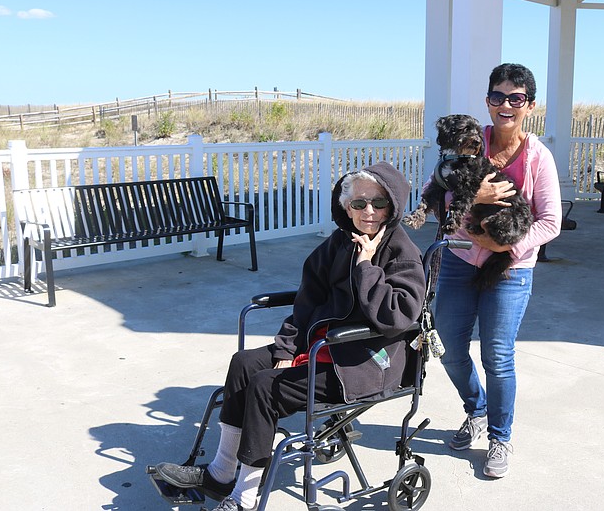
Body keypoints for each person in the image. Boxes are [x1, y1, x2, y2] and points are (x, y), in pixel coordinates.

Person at [154, 161, 426, 511]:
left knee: (266, 387)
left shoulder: (402, 251)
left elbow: (398, 316)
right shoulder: (338, 243)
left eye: (379, 203)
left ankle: (245, 498)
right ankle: (222, 473)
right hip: (322, 345)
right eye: (358, 203)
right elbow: (307, 301)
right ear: (346, 207)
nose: (368, 211)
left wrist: (367, 267)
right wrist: (288, 345)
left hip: (368, 359)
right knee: (244, 363)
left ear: (394, 205)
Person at [434, 63, 561, 478]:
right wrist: (475, 198)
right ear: (487, 101)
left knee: (497, 357)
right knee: (450, 349)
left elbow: (550, 222)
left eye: (516, 98)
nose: (505, 105)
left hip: (510, 270)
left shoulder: (539, 157)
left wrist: (505, 244)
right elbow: (432, 195)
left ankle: (499, 437)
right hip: (458, 261)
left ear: (529, 105)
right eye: (497, 97)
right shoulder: (467, 141)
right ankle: (476, 409)